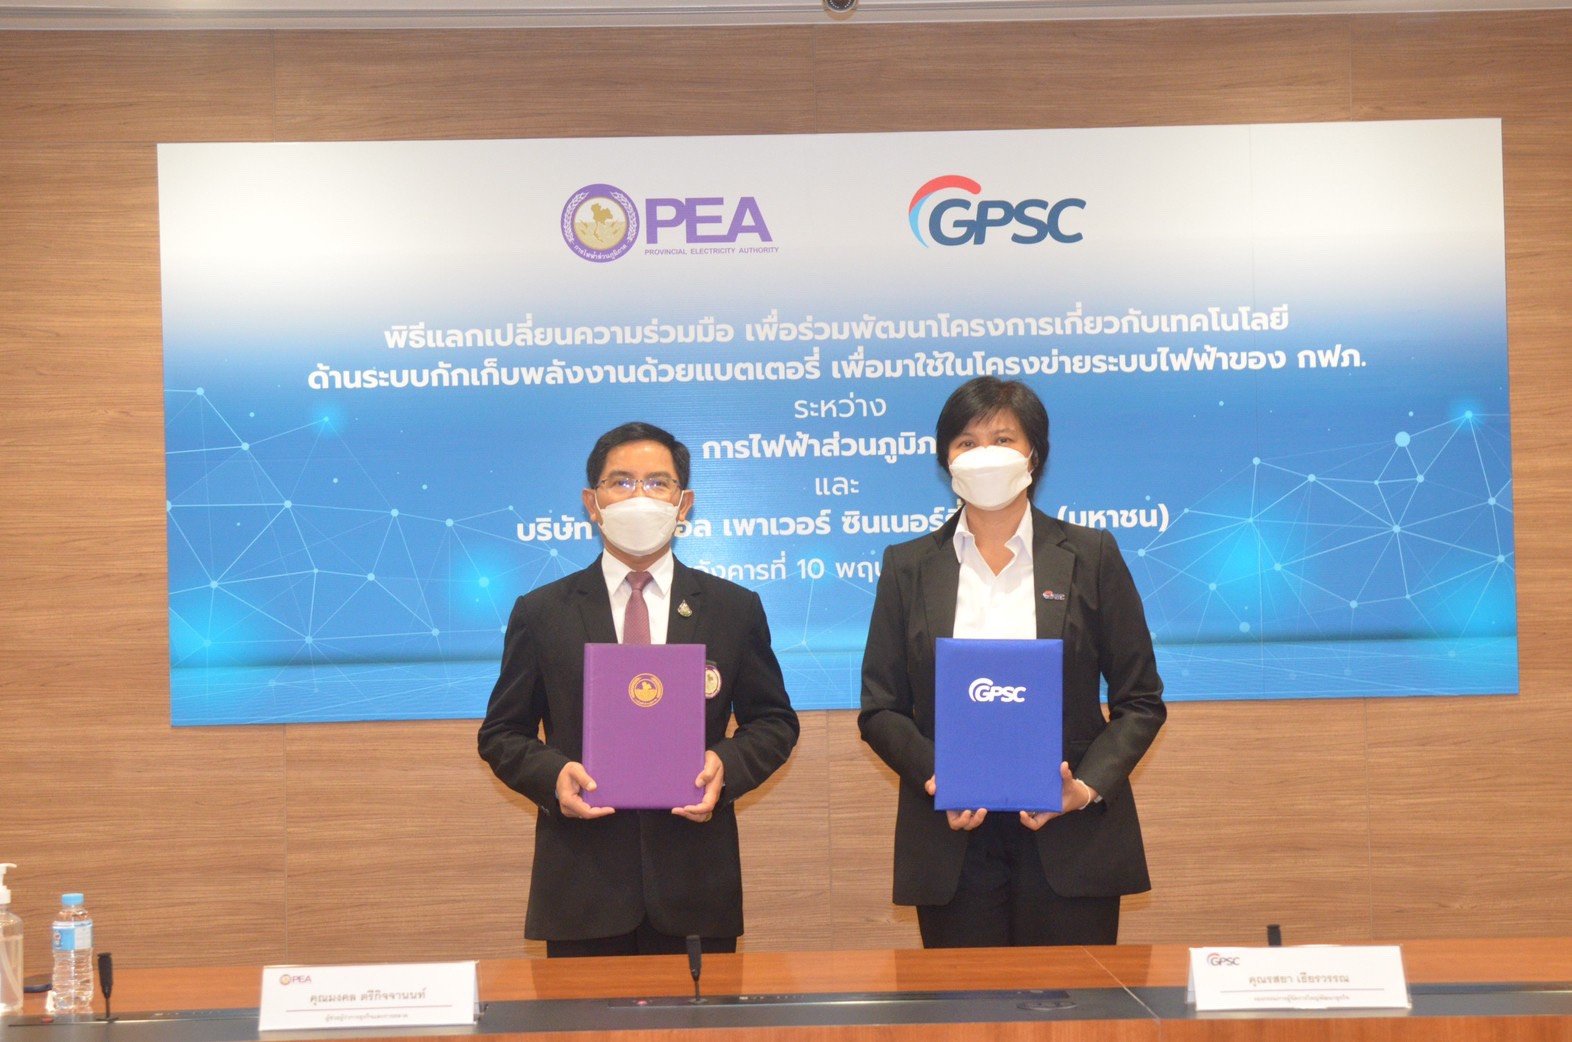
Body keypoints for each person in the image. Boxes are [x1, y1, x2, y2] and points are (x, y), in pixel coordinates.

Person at [858, 377, 1165, 948]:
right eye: (966, 442)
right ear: (946, 461)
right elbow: (881, 708)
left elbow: (1141, 700)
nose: (985, 455)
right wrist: (939, 777)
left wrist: (1087, 788)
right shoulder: (907, 567)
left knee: (1074, 1003)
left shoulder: (1091, 555)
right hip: (953, 842)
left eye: (1003, 439)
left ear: (1033, 455)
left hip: (1071, 838)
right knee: (963, 1002)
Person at [479, 421, 799, 957]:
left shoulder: (732, 608)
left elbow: (774, 723)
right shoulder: (542, 612)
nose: (639, 496)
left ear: (683, 503)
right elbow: (502, 734)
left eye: (657, 483)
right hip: (581, 891)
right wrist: (554, 776)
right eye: (621, 482)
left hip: (696, 887)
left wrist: (725, 765)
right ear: (592, 502)